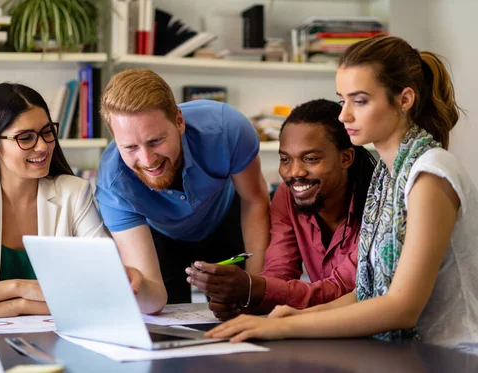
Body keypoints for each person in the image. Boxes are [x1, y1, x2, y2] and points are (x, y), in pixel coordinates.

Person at [206, 35, 478, 352]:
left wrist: (287, 327)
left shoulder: (430, 172)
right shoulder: (387, 176)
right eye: (342, 101)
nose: (344, 115)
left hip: (454, 353)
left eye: (359, 101)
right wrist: (289, 317)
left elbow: (403, 306)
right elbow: (367, 290)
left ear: (404, 100)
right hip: (408, 353)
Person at [0, 83, 159, 319]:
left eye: (47, 132)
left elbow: (108, 291)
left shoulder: (74, 193)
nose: (43, 146)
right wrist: (19, 288)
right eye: (25, 137)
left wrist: (19, 305)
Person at [187, 99, 377, 320]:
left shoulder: (378, 205)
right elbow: (280, 270)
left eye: (311, 159)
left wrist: (254, 289)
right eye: (285, 159)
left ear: (346, 158)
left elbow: (342, 290)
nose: (294, 172)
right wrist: (244, 300)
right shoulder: (286, 197)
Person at [95, 68, 270, 304]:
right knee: (163, 314)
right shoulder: (112, 184)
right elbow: (151, 298)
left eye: (155, 141)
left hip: (224, 219)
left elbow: (255, 200)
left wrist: (255, 289)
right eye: (130, 147)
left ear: (179, 121)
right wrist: (136, 288)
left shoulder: (227, 128)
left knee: (238, 306)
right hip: (159, 236)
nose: (147, 160)